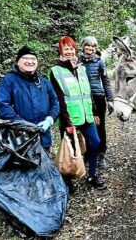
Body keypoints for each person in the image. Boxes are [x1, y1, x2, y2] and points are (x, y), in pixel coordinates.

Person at [48, 36, 106, 191]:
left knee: (95, 142)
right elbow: (58, 99)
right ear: (60, 51)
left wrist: (94, 112)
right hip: (70, 119)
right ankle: (67, 180)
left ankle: (92, 175)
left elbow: (87, 92)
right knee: (71, 149)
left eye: (71, 48)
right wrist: (67, 122)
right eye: (66, 48)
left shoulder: (81, 68)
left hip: (86, 115)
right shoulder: (55, 71)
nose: (69, 51)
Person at [0, 45, 59, 152]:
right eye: (26, 58)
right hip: (19, 138)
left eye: (33, 59)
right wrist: (24, 125)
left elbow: (55, 102)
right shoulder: (9, 80)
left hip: (43, 136)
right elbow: (3, 106)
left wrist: (50, 119)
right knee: (21, 167)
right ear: (17, 62)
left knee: (44, 165)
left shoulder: (44, 82)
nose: (30, 61)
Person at [78, 36, 114, 169]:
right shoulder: (77, 61)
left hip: (98, 97)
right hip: (82, 98)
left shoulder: (99, 62)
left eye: (93, 46)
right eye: (88, 45)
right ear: (83, 46)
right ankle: (87, 154)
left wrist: (110, 99)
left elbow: (106, 81)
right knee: (85, 126)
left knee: (100, 127)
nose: (90, 48)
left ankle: (101, 154)